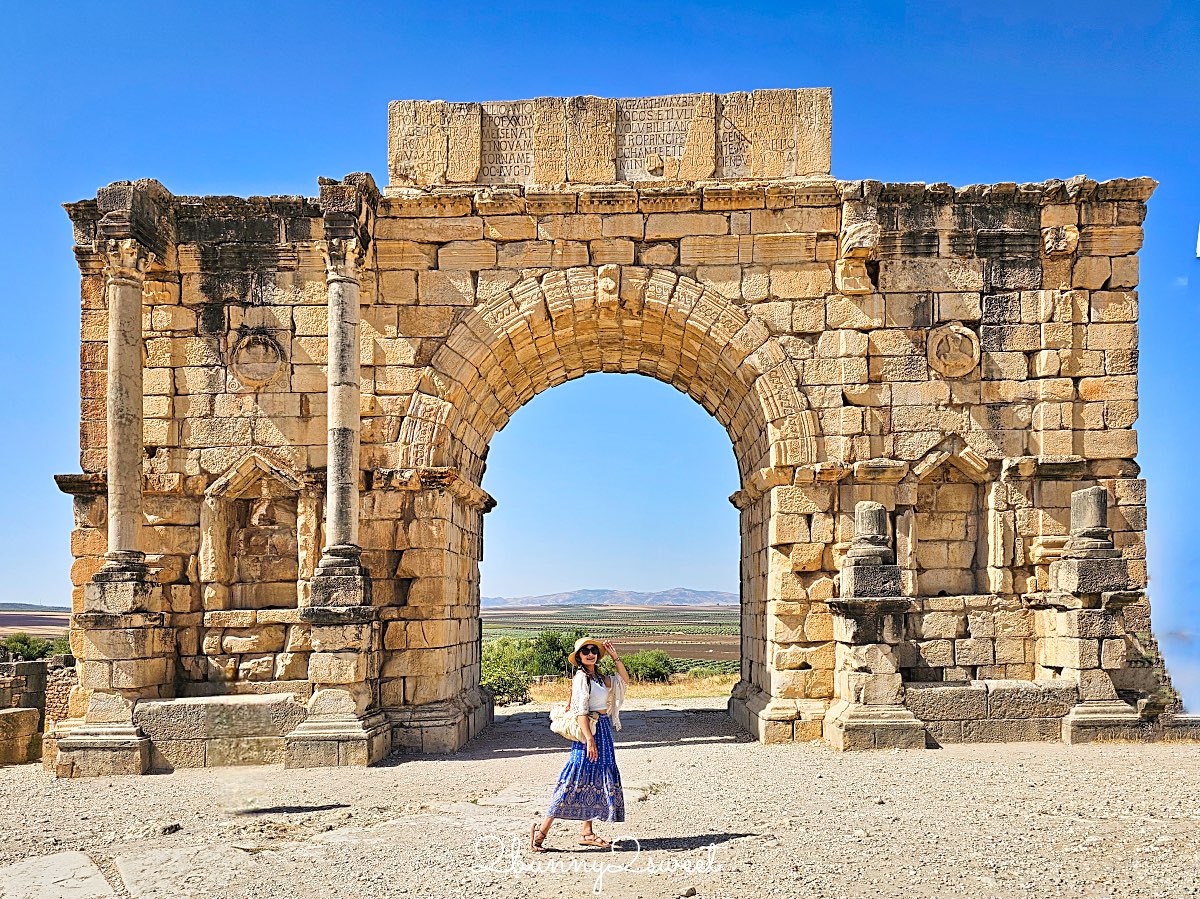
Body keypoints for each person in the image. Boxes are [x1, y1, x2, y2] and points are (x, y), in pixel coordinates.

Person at [531, 637, 629, 851]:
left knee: (592, 778)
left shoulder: (599, 677)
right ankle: (541, 833)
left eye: (594, 650)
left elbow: (624, 680)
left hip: (602, 729)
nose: (590, 653)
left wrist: (615, 657)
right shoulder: (581, 678)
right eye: (585, 651)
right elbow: (580, 711)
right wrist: (589, 740)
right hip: (590, 732)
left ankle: (587, 831)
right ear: (579, 657)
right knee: (574, 777)